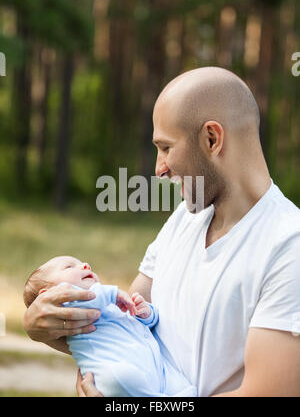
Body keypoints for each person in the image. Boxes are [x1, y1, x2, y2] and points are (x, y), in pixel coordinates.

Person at [23, 67, 300, 397]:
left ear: (212, 139)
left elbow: (267, 393)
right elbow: (125, 326)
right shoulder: (185, 218)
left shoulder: (288, 246)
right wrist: (39, 327)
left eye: (166, 148)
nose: (159, 169)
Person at [23, 256, 197, 397]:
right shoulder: (71, 306)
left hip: (154, 367)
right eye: (69, 267)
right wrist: (113, 293)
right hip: (116, 373)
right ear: (47, 297)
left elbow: (144, 325)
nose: (85, 265)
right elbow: (91, 296)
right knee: (126, 380)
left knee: (181, 387)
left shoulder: (109, 304)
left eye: (82, 263)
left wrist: (147, 314)